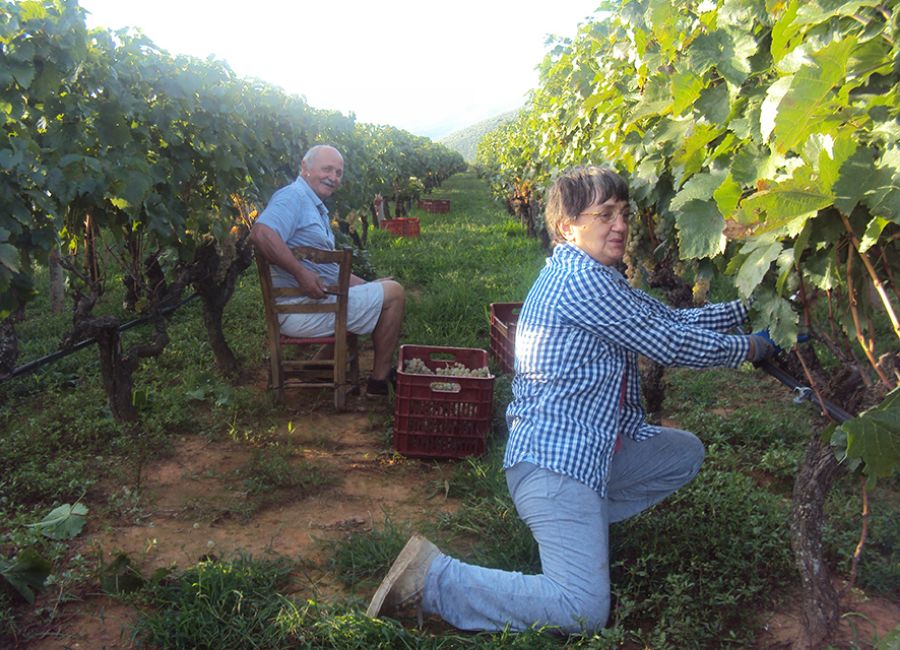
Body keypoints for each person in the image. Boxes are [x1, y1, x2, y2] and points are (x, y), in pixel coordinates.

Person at [366, 166, 777, 632]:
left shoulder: (590, 274)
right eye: (604, 215)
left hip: (584, 454)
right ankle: (436, 580)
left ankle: (581, 527)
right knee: (581, 609)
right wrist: (754, 347)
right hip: (555, 468)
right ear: (568, 227)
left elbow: (668, 320)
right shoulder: (581, 283)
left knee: (683, 453)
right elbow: (670, 344)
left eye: (623, 213)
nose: (620, 225)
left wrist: (757, 308)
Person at [250, 144, 404, 396]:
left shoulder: (314, 206)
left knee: (379, 291)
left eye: (339, 173)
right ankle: (379, 381)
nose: (333, 177)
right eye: (327, 169)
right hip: (301, 309)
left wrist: (369, 285)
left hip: (317, 303)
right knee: (395, 294)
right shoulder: (293, 197)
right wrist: (300, 273)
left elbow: (332, 273)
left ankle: (316, 367)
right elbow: (261, 233)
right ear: (305, 168)